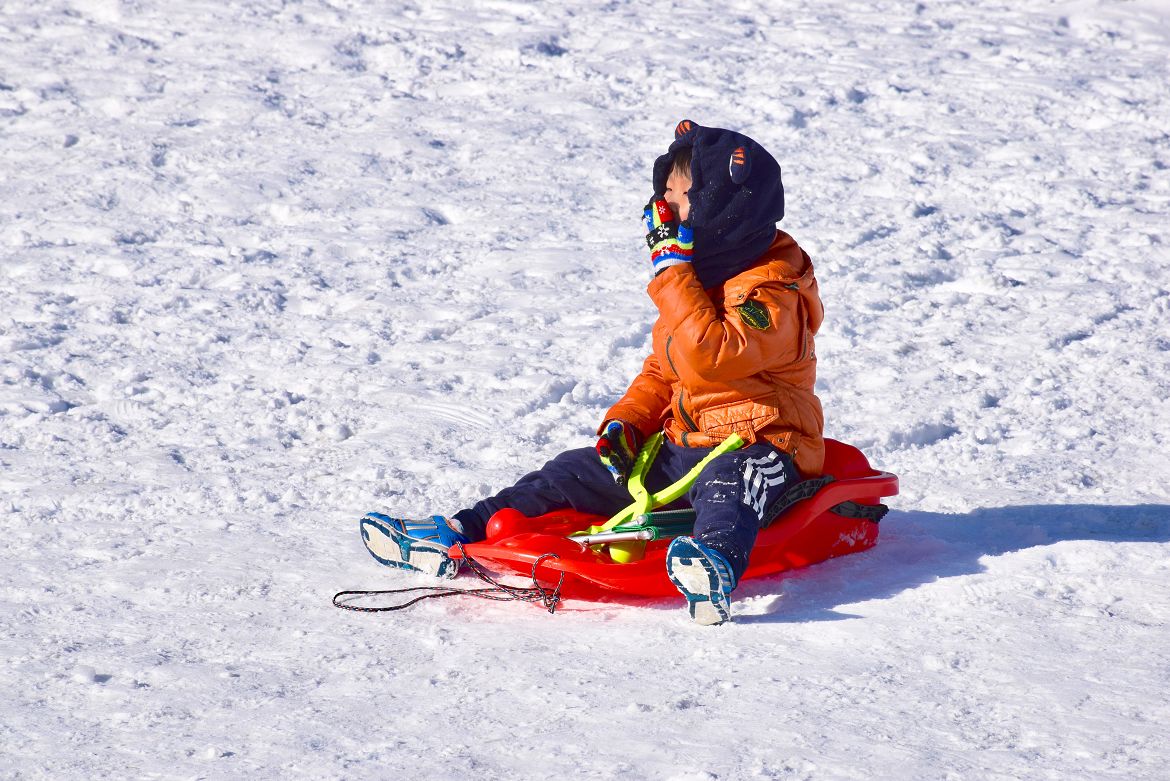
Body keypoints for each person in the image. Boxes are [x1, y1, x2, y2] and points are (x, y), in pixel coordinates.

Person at [361, 120, 825, 625]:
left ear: (725, 212)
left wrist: (672, 272)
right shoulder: (698, 284)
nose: (665, 209)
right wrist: (627, 423)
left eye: (683, 195)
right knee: (572, 469)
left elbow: (710, 357)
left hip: (768, 442)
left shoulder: (773, 293)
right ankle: (456, 530)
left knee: (731, 482)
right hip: (685, 446)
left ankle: (712, 565)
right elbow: (665, 370)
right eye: (664, 192)